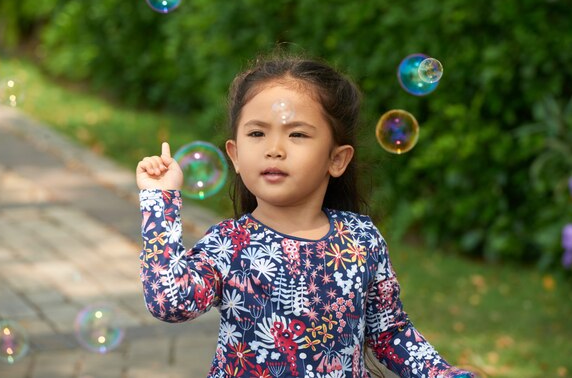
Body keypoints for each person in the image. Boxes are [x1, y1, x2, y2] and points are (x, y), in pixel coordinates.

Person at [136, 54, 474, 378]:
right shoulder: (230, 244)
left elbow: (389, 331)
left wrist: (442, 373)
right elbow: (170, 301)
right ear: (235, 156)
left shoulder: (360, 239)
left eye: (297, 134)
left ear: (337, 159)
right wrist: (159, 201)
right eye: (257, 133)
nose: (274, 148)